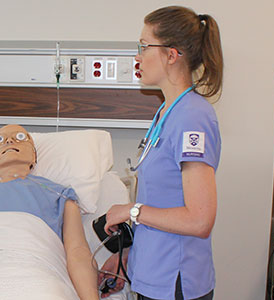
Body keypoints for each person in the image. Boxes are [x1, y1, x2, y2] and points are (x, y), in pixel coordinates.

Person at [101, 6, 223, 300]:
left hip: (174, 280)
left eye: (144, 46)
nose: (137, 56)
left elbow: (199, 220)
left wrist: (131, 211)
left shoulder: (192, 117)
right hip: (152, 270)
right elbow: (163, 200)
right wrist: (128, 254)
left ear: (171, 54)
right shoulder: (167, 111)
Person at [0, 124, 98, 300]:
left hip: (37, 276)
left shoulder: (59, 195)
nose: (9, 141)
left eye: (20, 137)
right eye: (0, 140)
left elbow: (77, 251)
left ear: (34, 155)